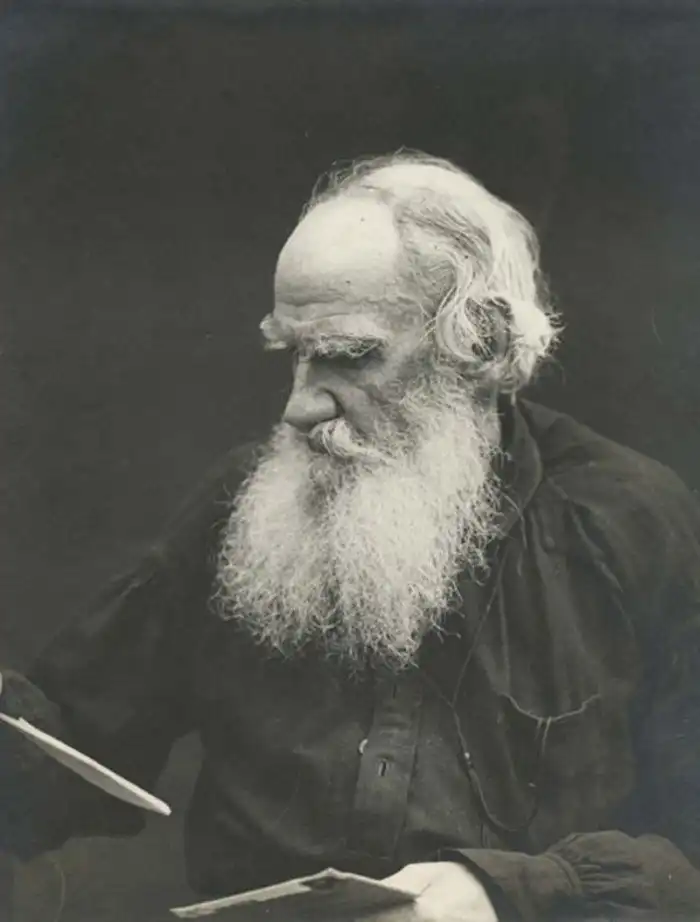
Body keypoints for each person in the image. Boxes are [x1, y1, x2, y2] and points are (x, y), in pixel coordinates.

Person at [2, 151, 700, 922]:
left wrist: (513, 891)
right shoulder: (244, 506)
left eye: (348, 357)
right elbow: (69, 750)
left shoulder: (627, 524)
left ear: (482, 345)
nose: (299, 408)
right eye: (295, 355)